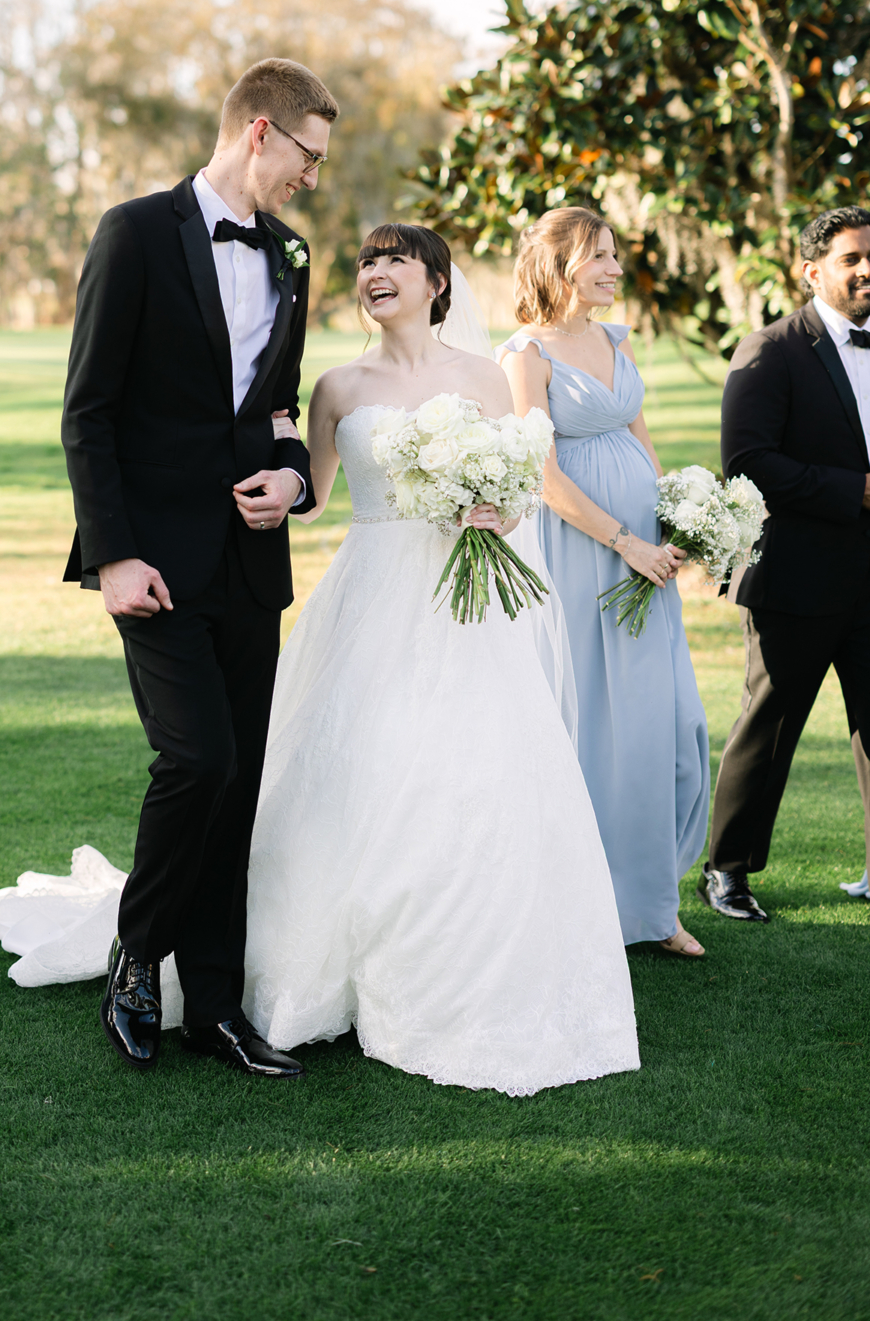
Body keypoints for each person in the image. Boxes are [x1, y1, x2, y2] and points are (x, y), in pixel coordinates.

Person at [240, 222, 638, 1093]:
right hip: (370, 591)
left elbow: (521, 487)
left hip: (464, 607)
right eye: (367, 264)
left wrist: (497, 511)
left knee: (469, 772)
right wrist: (274, 467)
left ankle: (454, 961)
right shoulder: (337, 385)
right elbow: (311, 494)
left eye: (395, 261)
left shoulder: (484, 376)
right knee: (356, 766)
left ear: (437, 284)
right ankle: (326, 965)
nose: (376, 273)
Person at [58, 57, 335, 1078]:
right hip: (154, 564)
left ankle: (215, 1007)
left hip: (250, 564)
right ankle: (138, 958)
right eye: (309, 153)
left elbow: (278, 407)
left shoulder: (295, 257)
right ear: (261, 131)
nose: (314, 176)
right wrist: (115, 556)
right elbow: (87, 409)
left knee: (242, 782)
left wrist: (294, 479)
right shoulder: (135, 232)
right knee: (199, 761)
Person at [498, 208, 709, 957]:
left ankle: (656, 908)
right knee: (591, 724)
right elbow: (541, 473)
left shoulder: (616, 340)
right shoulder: (527, 353)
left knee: (666, 725)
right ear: (559, 264)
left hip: (647, 560)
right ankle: (584, 905)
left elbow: (640, 442)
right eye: (601, 257)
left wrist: (682, 520)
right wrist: (622, 541)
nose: (616, 269)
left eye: (616, 257)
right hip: (581, 556)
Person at [699, 206, 870, 922]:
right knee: (768, 728)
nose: (867, 272)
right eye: (853, 259)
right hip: (797, 577)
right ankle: (727, 871)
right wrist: (854, 490)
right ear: (812, 271)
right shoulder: (769, 350)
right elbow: (748, 462)